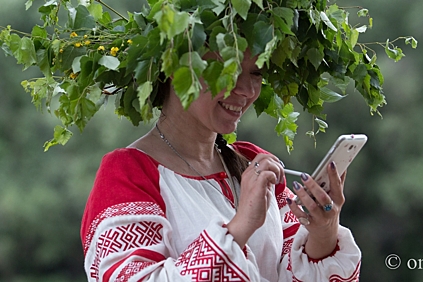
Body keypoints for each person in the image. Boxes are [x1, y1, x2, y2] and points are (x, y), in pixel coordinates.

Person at [81, 50, 361, 281]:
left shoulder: (252, 163)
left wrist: (323, 231)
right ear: (173, 68)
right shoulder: (128, 173)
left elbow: (291, 268)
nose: (248, 90)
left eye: (257, 73)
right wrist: (241, 226)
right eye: (228, 69)